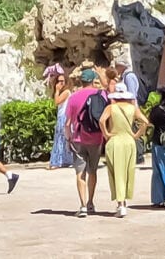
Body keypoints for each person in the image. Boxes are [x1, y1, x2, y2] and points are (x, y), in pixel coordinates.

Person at [100, 83, 148, 217]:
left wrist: (106, 134)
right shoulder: (132, 108)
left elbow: (101, 121)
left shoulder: (111, 108)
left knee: (116, 172)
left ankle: (120, 204)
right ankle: (124, 201)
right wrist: (136, 135)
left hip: (115, 141)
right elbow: (145, 121)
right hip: (129, 141)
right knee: (127, 172)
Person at [65, 68, 107, 217]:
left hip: (78, 138)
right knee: (93, 171)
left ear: (81, 81)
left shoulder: (73, 97)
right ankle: (90, 202)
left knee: (80, 172)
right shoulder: (101, 94)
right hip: (96, 138)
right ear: (93, 80)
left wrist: (68, 137)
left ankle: (82, 205)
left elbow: (68, 122)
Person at [47, 64, 73, 169]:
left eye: (62, 81)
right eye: (58, 81)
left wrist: (57, 90)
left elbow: (57, 102)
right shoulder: (63, 92)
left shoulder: (66, 92)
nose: (60, 83)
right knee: (60, 139)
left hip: (64, 117)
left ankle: (59, 161)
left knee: (62, 139)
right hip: (61, 116)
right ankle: (63, 160)